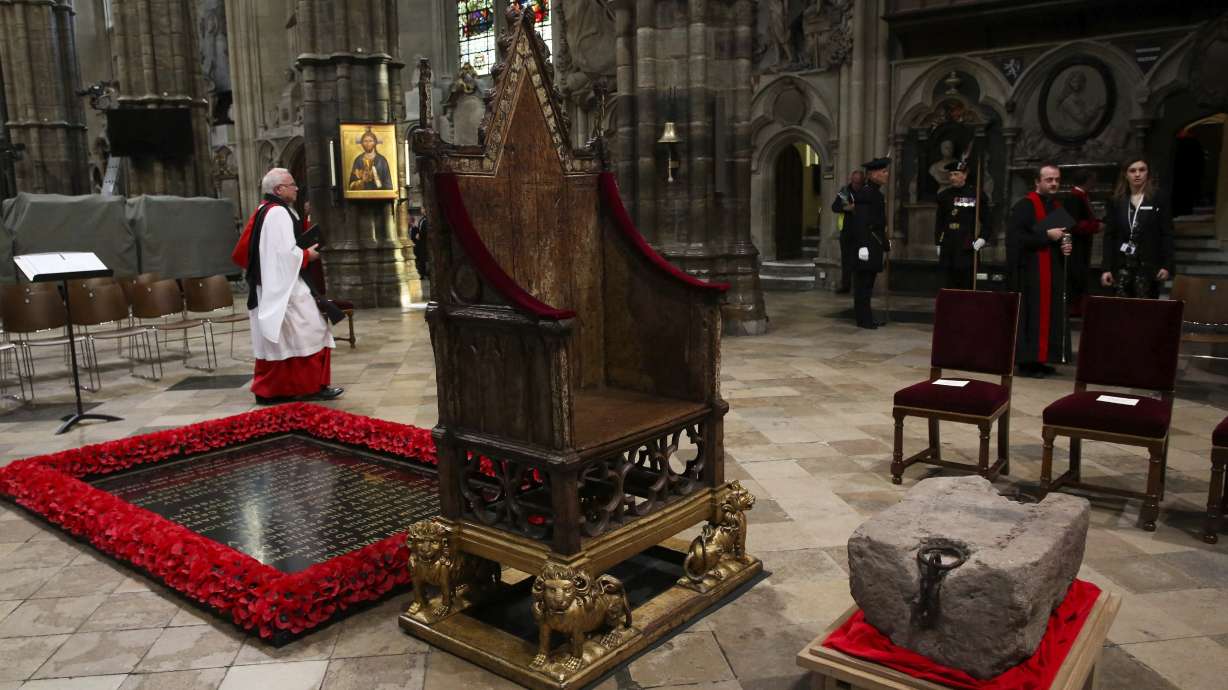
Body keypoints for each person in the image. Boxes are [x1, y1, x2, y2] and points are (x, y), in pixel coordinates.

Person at [244, 168, 343, 404]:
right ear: (279, 190)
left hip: (277, 284)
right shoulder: (277, 213)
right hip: (284, 288)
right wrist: (307, 254)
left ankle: (281, 389)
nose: (297, 188)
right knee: (314, 330)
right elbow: (282, 255)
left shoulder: (265, 209)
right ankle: (306, 387)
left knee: (288, 339)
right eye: (292, 184)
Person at [1007, 163, 1073, 378]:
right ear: (1037, 182)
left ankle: (1043, 358)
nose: (1054, 183)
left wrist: (1064, 244)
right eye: (1049, 179)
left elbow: (1062, 235)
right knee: (1032, 315)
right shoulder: (1024, 206)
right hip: (1030, 272)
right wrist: (1046, 236)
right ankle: (1027, 363)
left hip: (1051, 269)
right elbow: (1015, 239)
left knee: (1050, 313)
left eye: (1056, 179)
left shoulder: (1055, 206)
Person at [1101, 156, 1174, 299]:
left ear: (1148, 173)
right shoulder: (1116, 200)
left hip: (1149, 265)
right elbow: (1109, 236)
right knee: (1121, 311)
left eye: (1142, 170)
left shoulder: (1159, 198)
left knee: (1146, 311)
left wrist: (1167, 265)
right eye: (1132, 170)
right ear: (1125, 174)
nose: (1137, 174)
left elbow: (1167, 233)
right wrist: (1106, 268)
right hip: (1122, 265)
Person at [845, 158, 890, 329]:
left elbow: (878, 223)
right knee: (863, 284)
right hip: (866, 245)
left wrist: (885, 242)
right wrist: (863, 245)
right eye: (884, 172)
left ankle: (866, 317)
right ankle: (863, 319)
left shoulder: (875, 193)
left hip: (874, 242)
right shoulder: (866, 193)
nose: (887, 175)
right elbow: (861, 221)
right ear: (873, 174)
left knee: (868, 283)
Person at [934, 159, 989, 290]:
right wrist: (938, 242)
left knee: (966, 285)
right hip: (948, 245)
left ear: (964, 175)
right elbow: (940, 222)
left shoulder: (975, 194)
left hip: (967, 245)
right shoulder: (944, 196)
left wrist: (983, 238)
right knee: (948, 285)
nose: (952, 177)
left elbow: (987, 220)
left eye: (956, 174)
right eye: (951, 174)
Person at [1064, 170, 1103, 316]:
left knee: (1080, 275)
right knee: (1076, 276)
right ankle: (1074, 309)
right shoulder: (1075, 197)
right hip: (1076, 245)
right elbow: (1073, 223)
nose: (1095, 183)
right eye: (1093, 180)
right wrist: (1096, 227)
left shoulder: (1081, 196)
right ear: (1087, 180)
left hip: (1082, 244)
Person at [831, 169, 864, 294]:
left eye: (858, 183)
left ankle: (858, 287)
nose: (856, 185)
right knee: (846, 259)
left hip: (861, 230)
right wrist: (846, 208)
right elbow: (834, 207)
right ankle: (845, 286)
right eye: (854, 182)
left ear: (862, 182)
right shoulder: (845, 191)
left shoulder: (865, 192)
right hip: (847, 230)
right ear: (851, 180)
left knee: (860, 259)